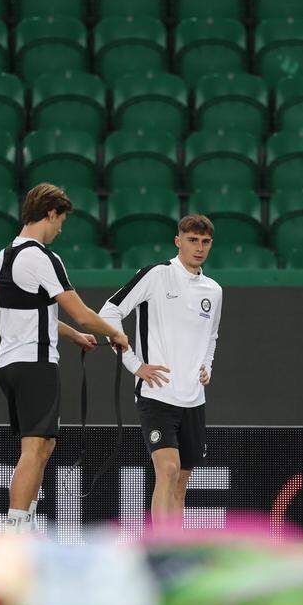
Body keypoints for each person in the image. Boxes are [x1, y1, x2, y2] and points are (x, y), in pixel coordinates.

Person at [0, 183, 131, 533]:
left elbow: (35, 314)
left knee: (44, 444)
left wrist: (74, 336)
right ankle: (17, 529)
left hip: (10, 363)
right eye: (60, 221)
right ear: (51, 214)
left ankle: (28, 519)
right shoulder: (42, 257)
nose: (60, 229)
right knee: (35, 447)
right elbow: (81, 311)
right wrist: (114, 333)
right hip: (35, 362)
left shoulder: (4, 255)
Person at [99, 215, 222, 523]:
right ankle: (159, 550)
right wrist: (134, 364)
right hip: (157, 394)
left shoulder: (214, 290)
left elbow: (212, 336)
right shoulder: (156, 275)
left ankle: (174, 552)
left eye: (205, 242)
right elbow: (109, 313)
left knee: (181, 481)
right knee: (166, 470)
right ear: (178, 241)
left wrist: (206, 365)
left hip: (194, 398)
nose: (199, 247)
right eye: (192, 240)